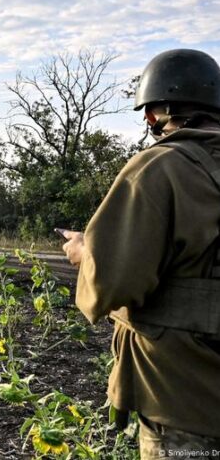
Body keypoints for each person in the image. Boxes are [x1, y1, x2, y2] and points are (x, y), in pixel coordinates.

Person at [61, 49, 220, 459]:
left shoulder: (159, 168)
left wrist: (84, 252)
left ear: (154, 114)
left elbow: (110, 284)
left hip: (187, 399)